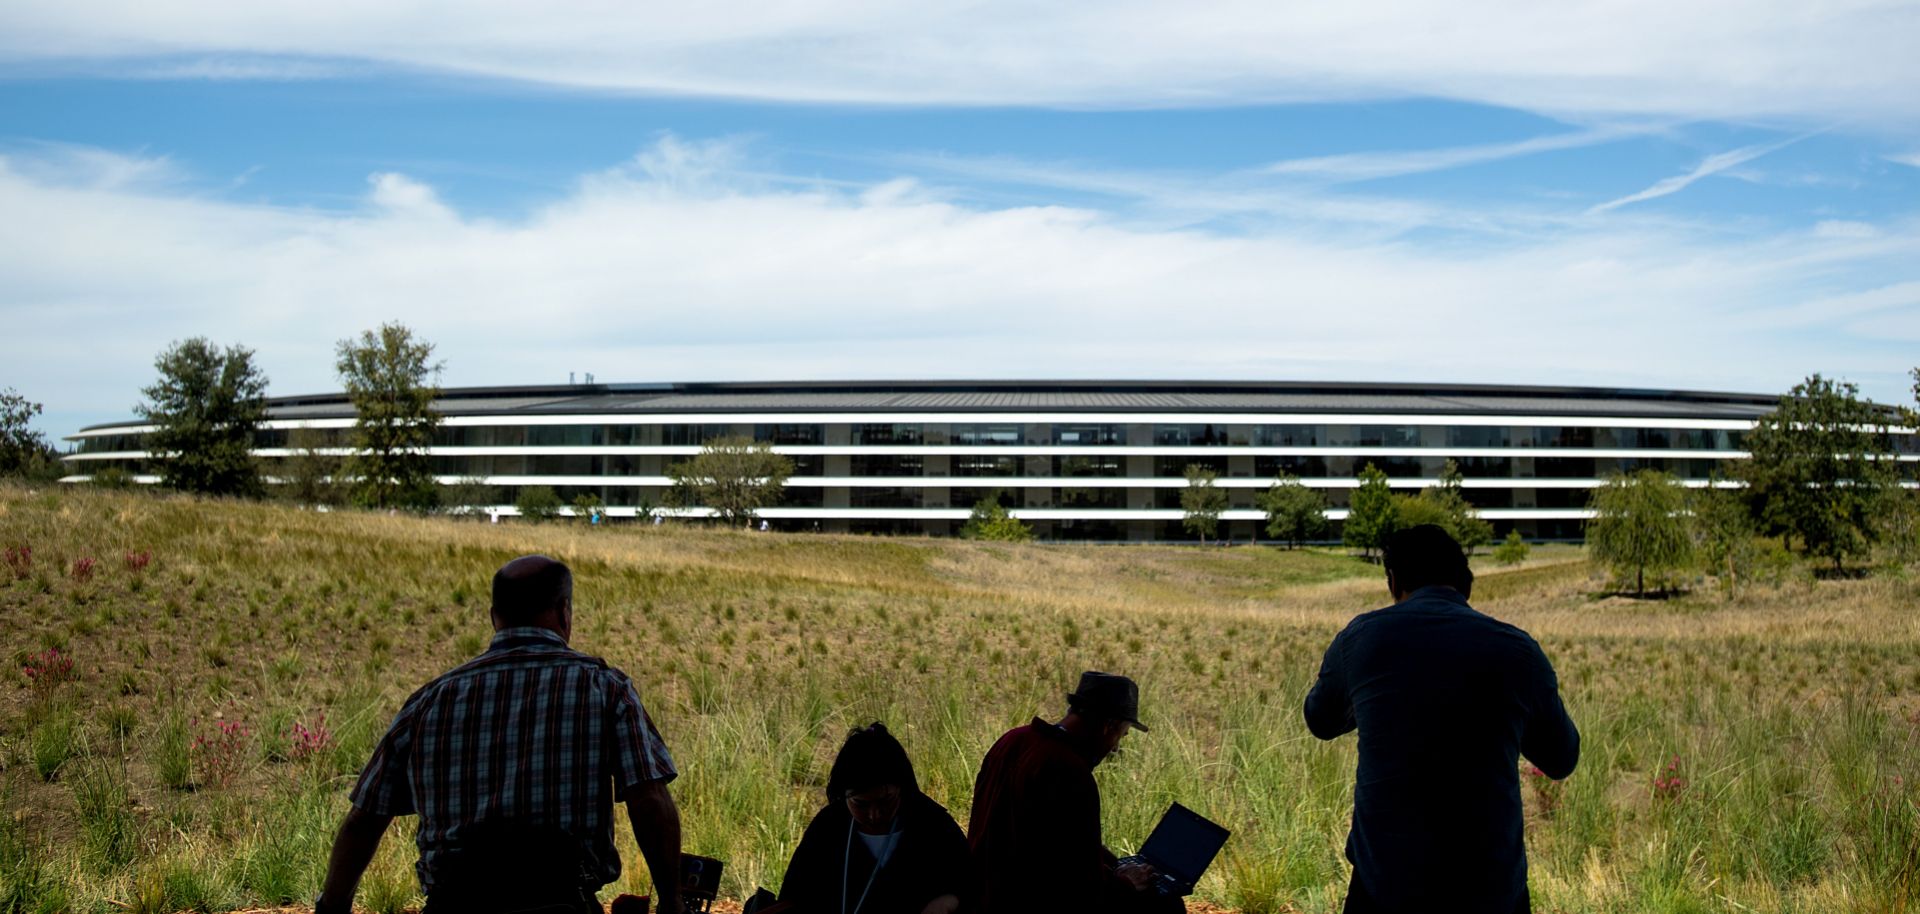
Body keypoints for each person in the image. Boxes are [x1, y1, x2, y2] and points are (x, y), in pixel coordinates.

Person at [315, 555, 684, 914]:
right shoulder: (604, 687)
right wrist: (672, 900)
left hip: (453, 902)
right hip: (561, 900)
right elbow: (648, 799)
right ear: (564, 613)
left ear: (495, 617)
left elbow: (365, 819)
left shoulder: (429, 700)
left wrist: (332, 905)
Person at [1304, 524, 1580, 914]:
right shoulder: (1518, 651)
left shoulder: (1361, 639)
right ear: (1465, 584)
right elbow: (1562, 758)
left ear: (1394, 580)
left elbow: (1319, 720)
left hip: (1384, 887)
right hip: (1491, 891)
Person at [966, 672, 1179, 914]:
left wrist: (1104, 859)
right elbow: (1082, 889)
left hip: (983, 891)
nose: (1115, 748)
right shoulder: (1069, 772)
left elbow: (1044, 839)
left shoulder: (1013, 739)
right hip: (1022, 900)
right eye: (1121, 736)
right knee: (1165, 903)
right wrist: (1127, 883)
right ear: (1109, 726)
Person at [779, 723, 971, 914]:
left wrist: (949, 900)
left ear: (902, 788)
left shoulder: (932, 823)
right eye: (860, 804)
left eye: (886, 800)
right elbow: (793, 896)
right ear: (842, 795)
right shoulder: (828, 827)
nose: (874, 814)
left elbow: (971, 883)